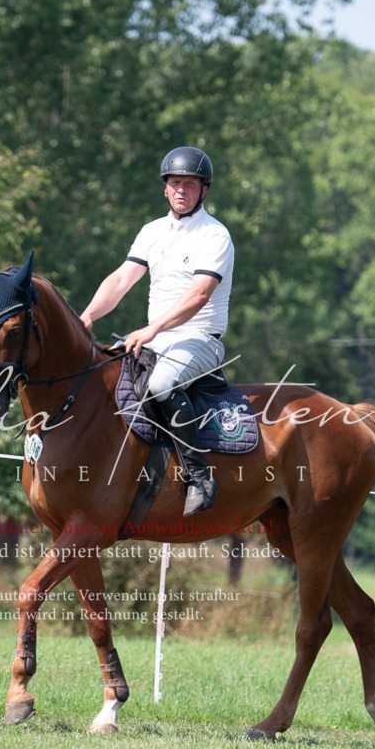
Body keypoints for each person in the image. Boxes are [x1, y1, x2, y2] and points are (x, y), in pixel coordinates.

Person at [80, 146, 234, 517]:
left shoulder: (215, 236)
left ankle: (199, 477)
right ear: (165, 188)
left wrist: (152, 329)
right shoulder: (152, 232)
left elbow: (198, 295)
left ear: (204, 190)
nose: (182, 190)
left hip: (199, 340)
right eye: (175, 183)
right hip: (156, 337)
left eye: (190, 184)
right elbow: (120, 281)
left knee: (162, 384)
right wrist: (84, 319)